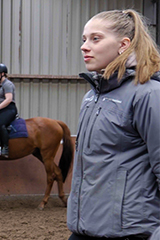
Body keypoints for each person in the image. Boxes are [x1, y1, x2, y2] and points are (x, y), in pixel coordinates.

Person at [69, 9, 160, 240]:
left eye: (95, 38)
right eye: (84, 39)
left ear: (123, 44)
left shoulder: (149, 94)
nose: (84, 46)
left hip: (131, 232)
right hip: (85, 229)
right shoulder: (91, 97)